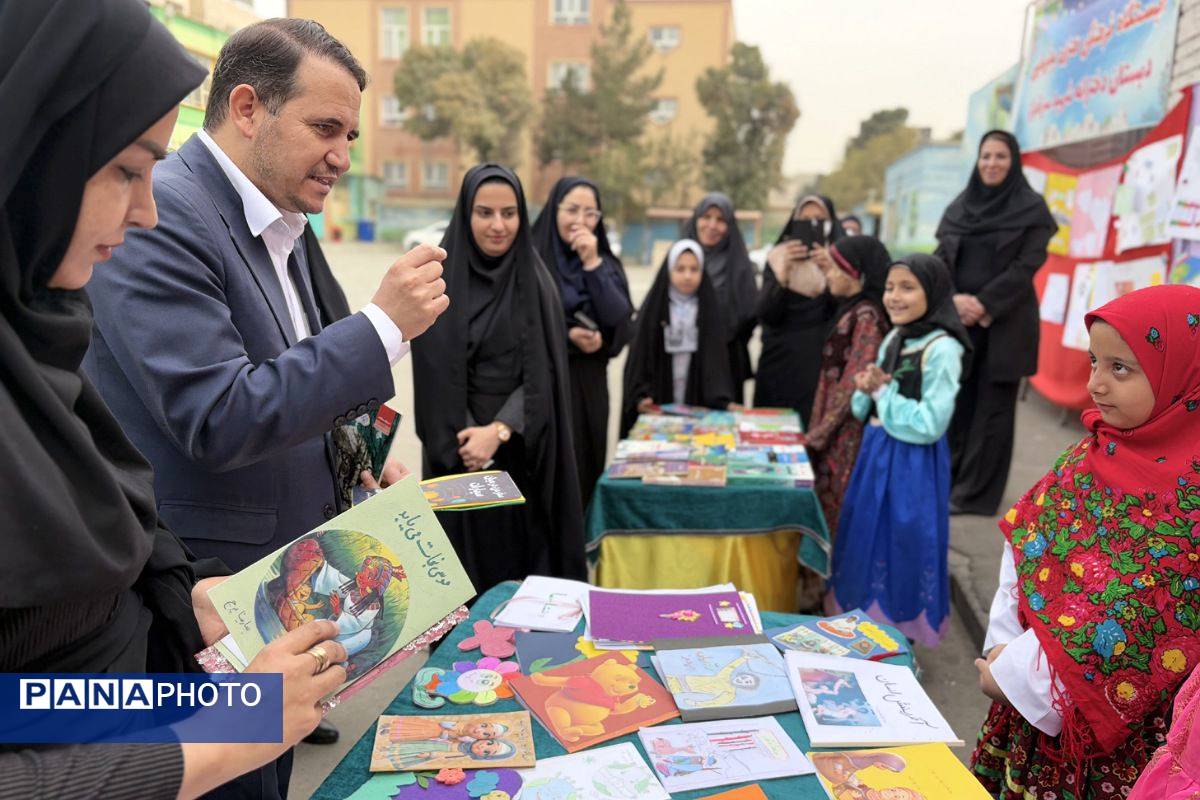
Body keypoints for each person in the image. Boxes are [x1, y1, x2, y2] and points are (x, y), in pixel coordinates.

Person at [0, 1, 352, 796]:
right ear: (30, 152)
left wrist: (179, 599)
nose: (147, 211)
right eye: (125, 168)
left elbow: (27, 703)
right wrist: (221, 738)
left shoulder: (40, 343)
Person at [972, 284, 1200, 800]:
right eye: (1094, 361)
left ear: (1183, 375)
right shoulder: (1093, 452)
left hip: (1117, 741)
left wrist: (1012, 676)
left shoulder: (1190, 500)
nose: (1094, 384)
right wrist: (1002, 647)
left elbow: (1134, 615)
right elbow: (1028, 544)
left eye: (1121, 368)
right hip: (1025, 692)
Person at [412, 164, 586, 588]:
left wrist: (500, 429)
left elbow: (545, 373)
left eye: (509, 213)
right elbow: (433, 370)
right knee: (461, 581)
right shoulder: (437, 284)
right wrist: (468, 436)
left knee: (516, 584)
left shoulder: (536, 282)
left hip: (518, 457)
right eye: (484, 212)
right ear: (465, 214)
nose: (498, 225)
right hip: (457, 457)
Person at [826, 255, 970, 647]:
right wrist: (867, 386)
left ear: (934, 291)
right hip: (876, 453)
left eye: (907, 287)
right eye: (889, 287)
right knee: (866, 532)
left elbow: (930, 423)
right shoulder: (895, 337)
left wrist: (881, 390)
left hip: (913, 465)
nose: (894, 297)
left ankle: (899, 627)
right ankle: (861, 623)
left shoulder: (943, 350)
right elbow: (868, 407)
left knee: (904, 537)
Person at [935, 130, 1055, 516]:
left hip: (1005, 324)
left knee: (992, 413)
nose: (991, 163)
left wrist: (983, 304)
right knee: (956, 407)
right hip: (960, 323)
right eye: (985, 156)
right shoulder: (959, 207)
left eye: (1000, 156)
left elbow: (1027, 266)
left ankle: (976, 496)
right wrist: (954, 298)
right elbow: (941, 260)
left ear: (1014, 161)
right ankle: (949, 482)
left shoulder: (1031, 210)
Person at [531, 177, 633, 507]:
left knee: (585, 466)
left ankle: (580, 550)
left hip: (590, 384)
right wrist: (567, 336)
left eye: (591, 213)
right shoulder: (533, 259)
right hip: (543, 383)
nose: (580, 221)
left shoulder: (605, 263)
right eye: (572, 210)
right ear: (554, 210)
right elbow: (520, 323)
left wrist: (592, 263)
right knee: (543, 473)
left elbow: (620, 321)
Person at [805, 236, 892, 535]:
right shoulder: (851, 309)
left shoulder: (866, 316)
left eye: (832, 269)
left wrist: (819, 434)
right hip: (831, 427)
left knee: (837, 504)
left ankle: (833, 576)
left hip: (845, 433)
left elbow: (852, 385)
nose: (828, 276)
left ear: (855, 274)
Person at [620, 239, 734, 436]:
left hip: (696, 392)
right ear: (668, 270)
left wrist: (720, 398)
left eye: (694, 269)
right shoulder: (654, 310)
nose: (687, 276)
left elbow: (717, 362)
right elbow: (640, 357)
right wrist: (640, 396)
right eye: (680, 269)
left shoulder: (709, 309)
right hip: (661, 393)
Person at [756, 195, 846, 427]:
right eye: (805, 220)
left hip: (819, 363)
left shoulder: (842, 261)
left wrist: (832, 272)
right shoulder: (777, 258)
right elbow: (766, 313)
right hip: (779, 361)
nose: (812, 225)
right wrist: (782, 277)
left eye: (819, 219)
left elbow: (845, 314)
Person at [682, 193, 758, 405]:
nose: (712, 225)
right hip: (682, 359)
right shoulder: (680, 259)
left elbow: (749, 313)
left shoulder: (740, 266)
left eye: (721, 220)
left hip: (726, 363)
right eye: (706, 217)